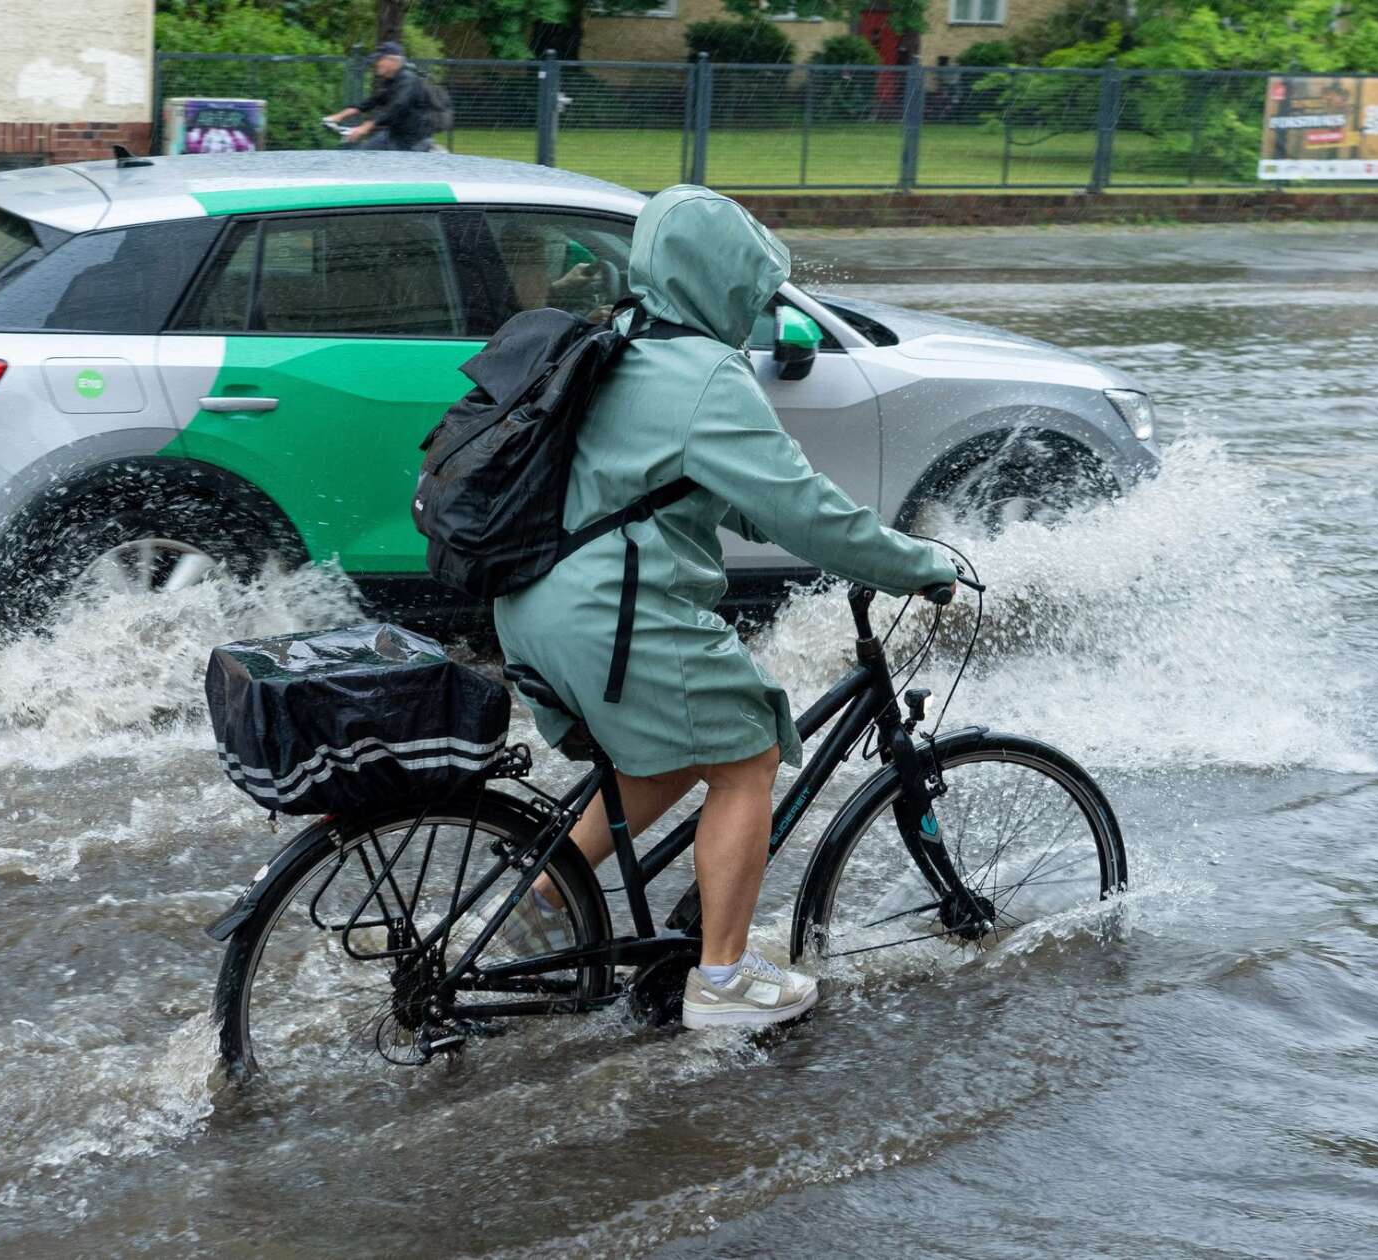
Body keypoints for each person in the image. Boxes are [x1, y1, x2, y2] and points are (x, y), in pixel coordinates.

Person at [491, 185, 959, 1031]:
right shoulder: (706, 373)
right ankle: (725, 979)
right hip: (612, 614)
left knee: (663, 757)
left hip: (532, 606)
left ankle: (540, 904)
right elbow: (801, 511)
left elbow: (679, 485)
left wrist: (805, 523)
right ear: (722, 276)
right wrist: (909, 564)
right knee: (745, 753)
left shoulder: (618, 338)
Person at [325, 41, 434, 153]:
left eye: (379, 60)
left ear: (392, 60)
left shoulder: (408, 80)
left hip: (414, 142)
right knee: (362, 154)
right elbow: (371, 102)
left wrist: (365, 127)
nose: (376, 63)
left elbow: (396, 107)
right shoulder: (391, 81)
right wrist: (338, 116)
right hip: (394, 136)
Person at [498, 221, 602, 316]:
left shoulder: (498, 273)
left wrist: (565, 283)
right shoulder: (516, 276)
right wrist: (587, 323)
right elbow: (534, 321)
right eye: (533, 248)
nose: (542, 254)